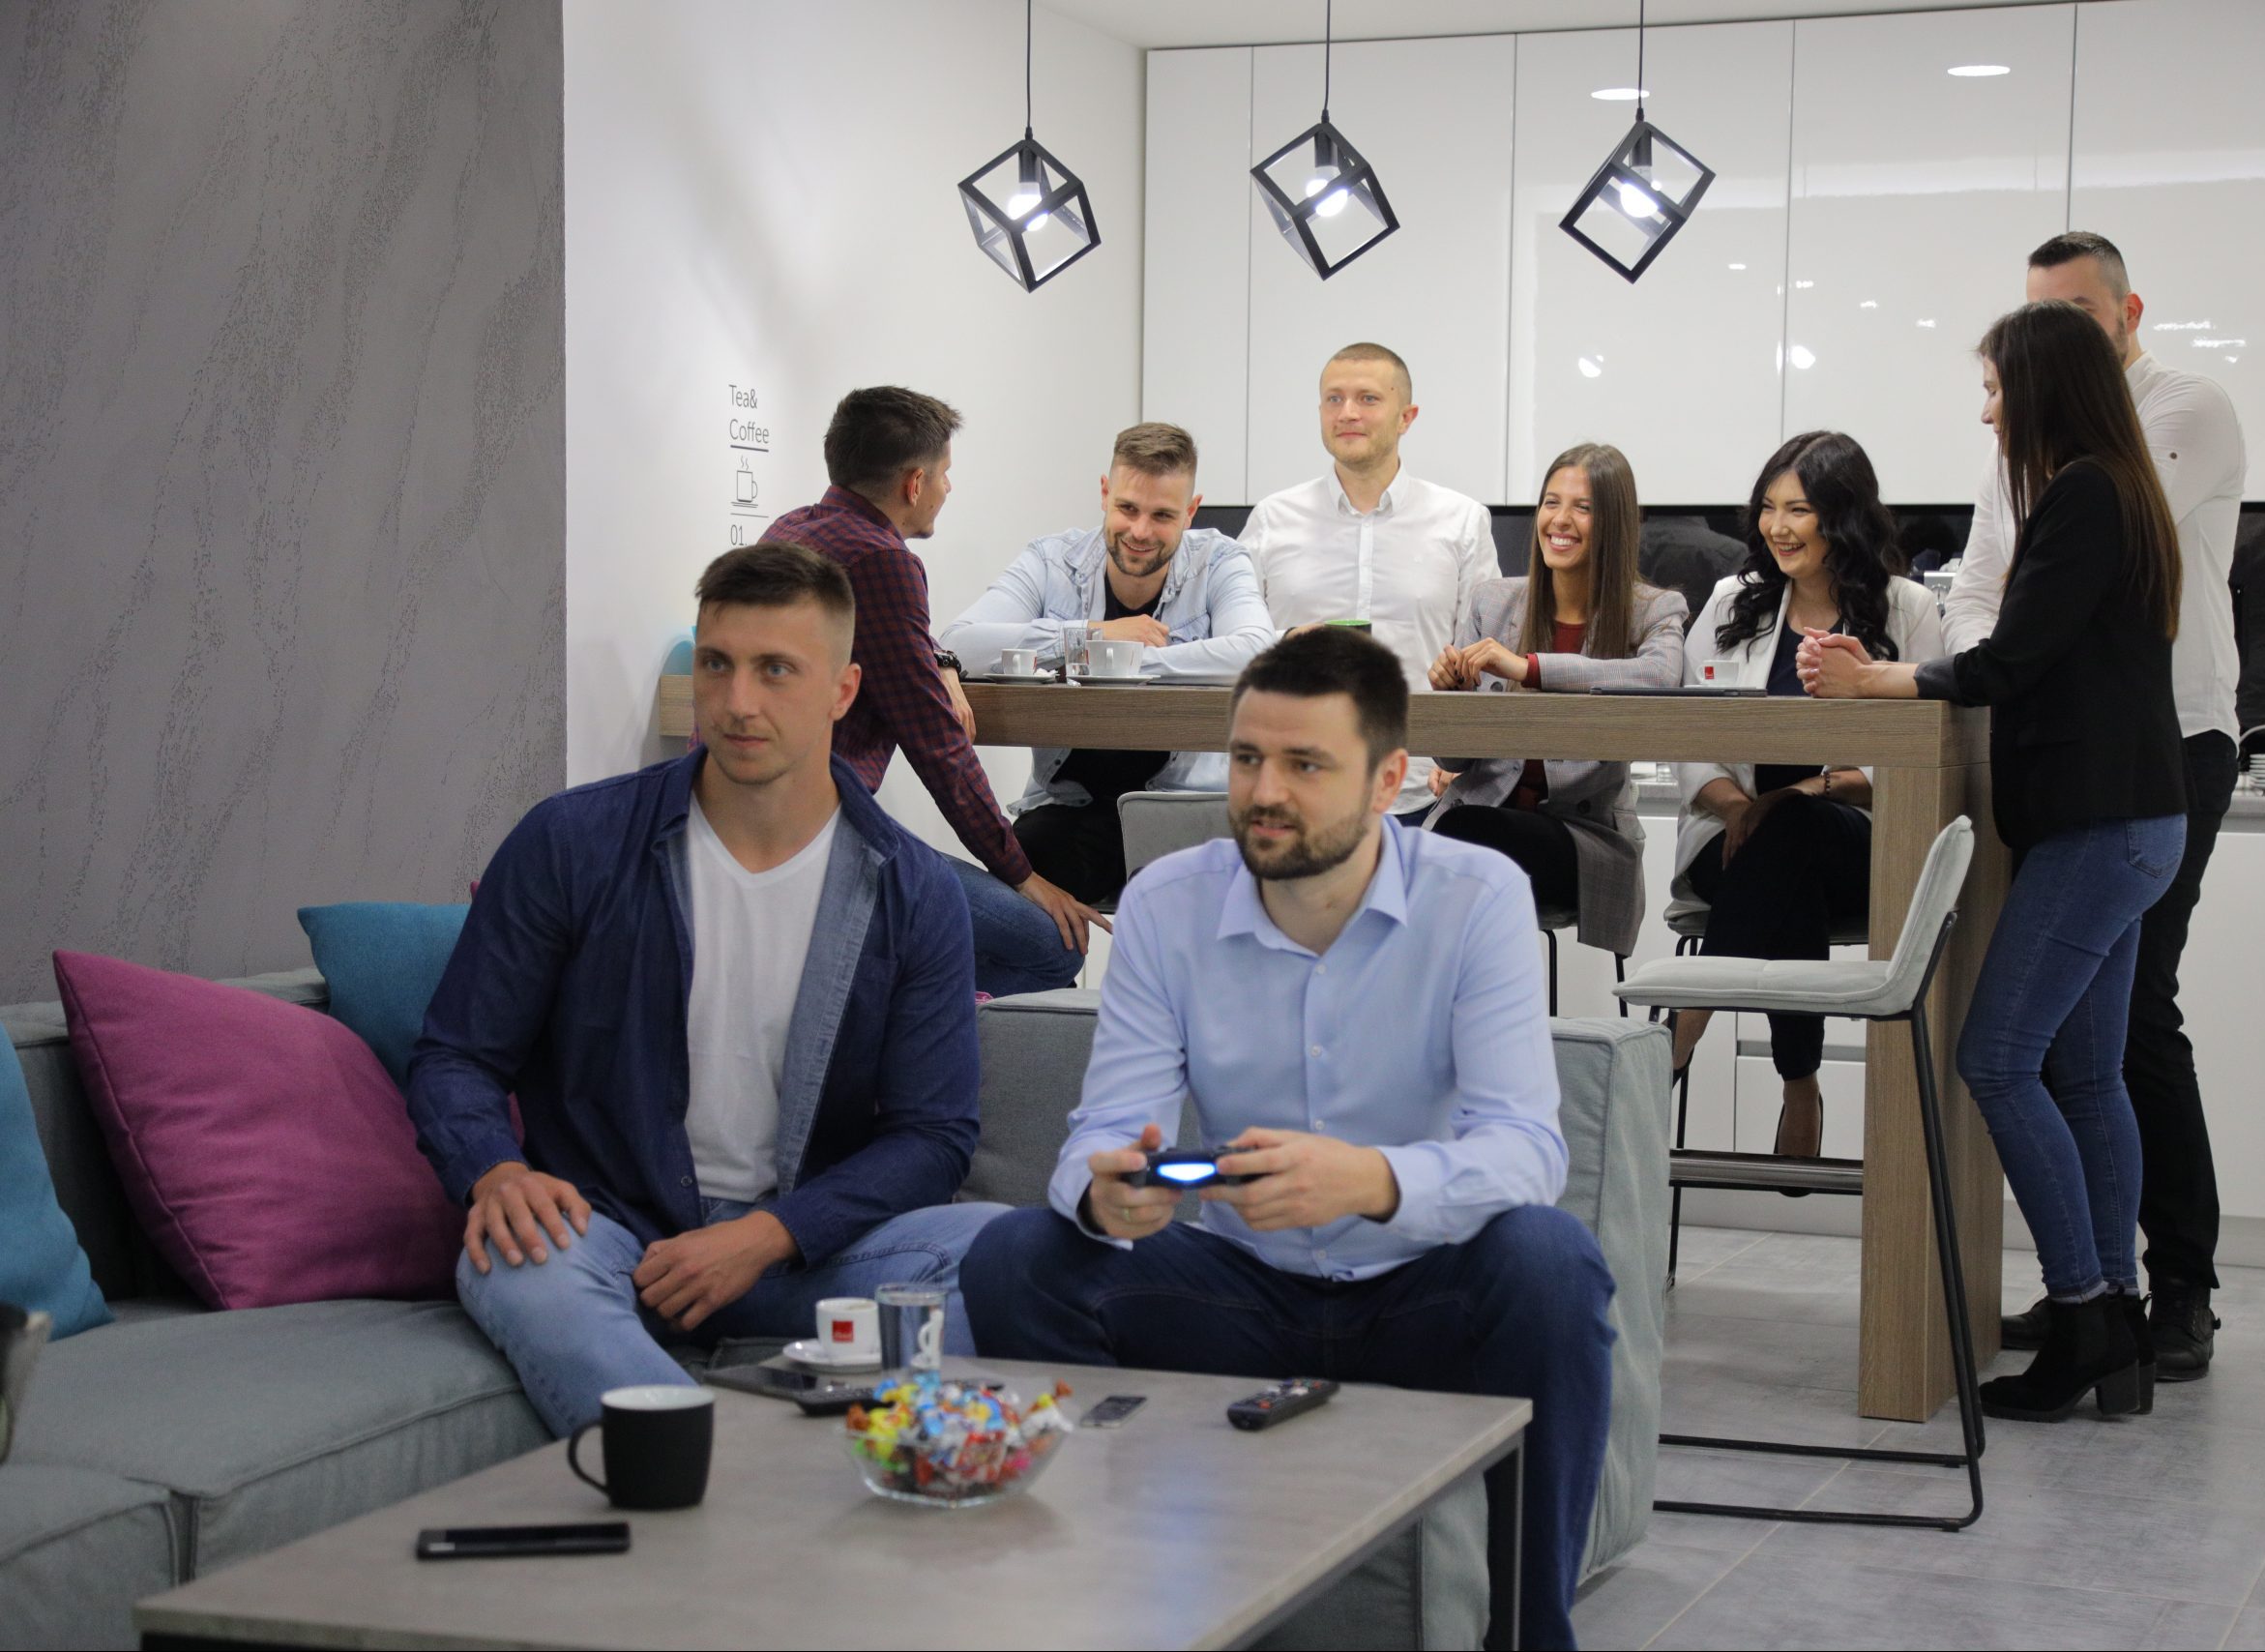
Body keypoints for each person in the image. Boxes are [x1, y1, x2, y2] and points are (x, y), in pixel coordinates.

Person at [959, 628, 1615, 1652]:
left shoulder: (1476, 895)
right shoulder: (1167, 903)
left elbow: (1527, 1149)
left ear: (1389, 779)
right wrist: (1104, 1192)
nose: (1265, 793)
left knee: (1552, 1261)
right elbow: (1105, 1127)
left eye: (1305, 765)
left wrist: (1371, 1181)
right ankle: (1103, 1600)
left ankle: (1530, 1636)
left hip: (1420, 1291)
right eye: (1247, 759)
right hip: (1237, 1294)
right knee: (1015, 1257)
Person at [407, 545, 1006, 1436]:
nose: (737, 701)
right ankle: (702, 1462)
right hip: (610, 1233)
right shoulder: (572, 842)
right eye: (718, 664)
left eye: (776, 670)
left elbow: (933, 1135)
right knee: (515, 1263)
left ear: (843, 691)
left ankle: (732, 1437)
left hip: (802, 1251)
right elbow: (457, 1054)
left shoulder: (913, 891)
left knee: (1009, 1253)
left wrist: (768, 1235)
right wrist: (493, 1171)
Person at [1804, 300, 2186, 1423]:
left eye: (1992, 390)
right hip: (2130, 822)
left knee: (1996, 1059)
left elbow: (2009, 660)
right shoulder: (2117, 490)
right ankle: (2114, 1321)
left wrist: (1878, 679)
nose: (1985, 413)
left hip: (2098, 828)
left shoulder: (2082, 493)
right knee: (2085, 1073)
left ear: (2040, 390)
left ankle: (2081, 1313)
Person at [1946, 235, 2249, 1377]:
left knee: (2126, 1025)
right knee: (2085, 1047)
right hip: (2085, 763)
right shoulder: (2041, 455)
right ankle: (2101, 1296)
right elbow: (1979, 590)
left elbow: (2062, 583)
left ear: (2126, 313)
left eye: (2074, 313)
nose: (2054, 333)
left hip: (2169, 748)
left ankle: (2171, 1289)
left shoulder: (2166, 421)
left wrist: (1987, 655)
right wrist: (1993, 651)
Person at [764, 386, 1103, 996]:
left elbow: (898, 641)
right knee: (1055, 949)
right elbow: (939, 749)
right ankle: (885, 1014)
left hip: (770, 831)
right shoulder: (884, 562)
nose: (950, 487)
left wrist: (941, 660)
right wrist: (1023, 875)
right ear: (914, 483)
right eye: (945, 473)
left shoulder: (788, 531)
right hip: (821, 848)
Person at [1671, 432, 1945, 1159]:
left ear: (1842, 516)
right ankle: (1800, 1082)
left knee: (1794, 825)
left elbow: (1926, 753)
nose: (1777, 527)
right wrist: (1741, 807)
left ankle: (1679, 1032)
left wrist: (1802, 792)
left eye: (1798, 509)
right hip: (1732, 841)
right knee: (1784, 855)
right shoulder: (1733, 602)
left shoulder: (1908, 608)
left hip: (1859, 842)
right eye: (1768, 508)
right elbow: (1688, 734)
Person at [938, 423, 1276, 903]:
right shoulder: (1051, 560)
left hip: (1181, 806)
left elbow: (1255, 653)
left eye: (1163, 515)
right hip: (1068, 807)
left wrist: (1121, 661)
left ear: (1191, 511)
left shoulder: (1220, 561)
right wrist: (1094, 635)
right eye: (1127, 508)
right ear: (1104, 493)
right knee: (1009, 900)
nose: (1140, 531)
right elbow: (959, 644)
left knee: (1218, 915)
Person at [1425, 443, 1687, 959]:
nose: (1560, 520)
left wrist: (1530, 668)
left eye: (1582, 508)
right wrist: (1452, 701)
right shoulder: (1492, 602)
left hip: (1581, 840)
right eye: (1551, 502)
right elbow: (1454, 762)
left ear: (1614, 523)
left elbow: (1659, 676)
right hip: (1480, 824)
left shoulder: (1653, 609)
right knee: (1434, 858)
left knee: (1452, 849)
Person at [1239, 342, 1497, 820]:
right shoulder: (1271, 519)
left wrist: (1472, 762)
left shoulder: (1463, 521)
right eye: (1334, 399)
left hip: (1420, 792)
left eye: (1368, 399)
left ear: (1406, 417)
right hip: (1293, 787)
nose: (1348, 413)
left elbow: (1487, 660)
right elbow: (1234, 645)